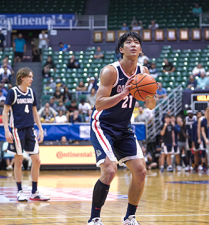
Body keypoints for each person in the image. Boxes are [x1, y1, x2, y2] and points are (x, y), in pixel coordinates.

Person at [87, 32, 156, 225]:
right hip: (103, 125)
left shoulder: (144, 72)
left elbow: (150, 106)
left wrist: (151, 94)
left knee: (141, 171)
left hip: (124, 127)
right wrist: (125, 92)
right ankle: (94, 219)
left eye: (136, 43)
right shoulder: (111, 71)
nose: (133, 45)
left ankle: (130, 217)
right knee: (109, 170)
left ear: (140, 49)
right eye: (128, 42)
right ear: (121, 49)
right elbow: (99, 104)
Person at [2, 68, 50, 202]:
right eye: (29, 77)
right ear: (22, 77)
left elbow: (35, 112)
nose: (32, 79)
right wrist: (6, 130)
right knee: (18, 161)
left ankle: (34, 192)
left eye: (32, 76)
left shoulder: (32, 93)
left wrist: (40, 129)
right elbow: (5, 113)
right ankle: (20, 191)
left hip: (30, 129)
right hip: (17, 130)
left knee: (37, 160)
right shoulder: (13, 92)